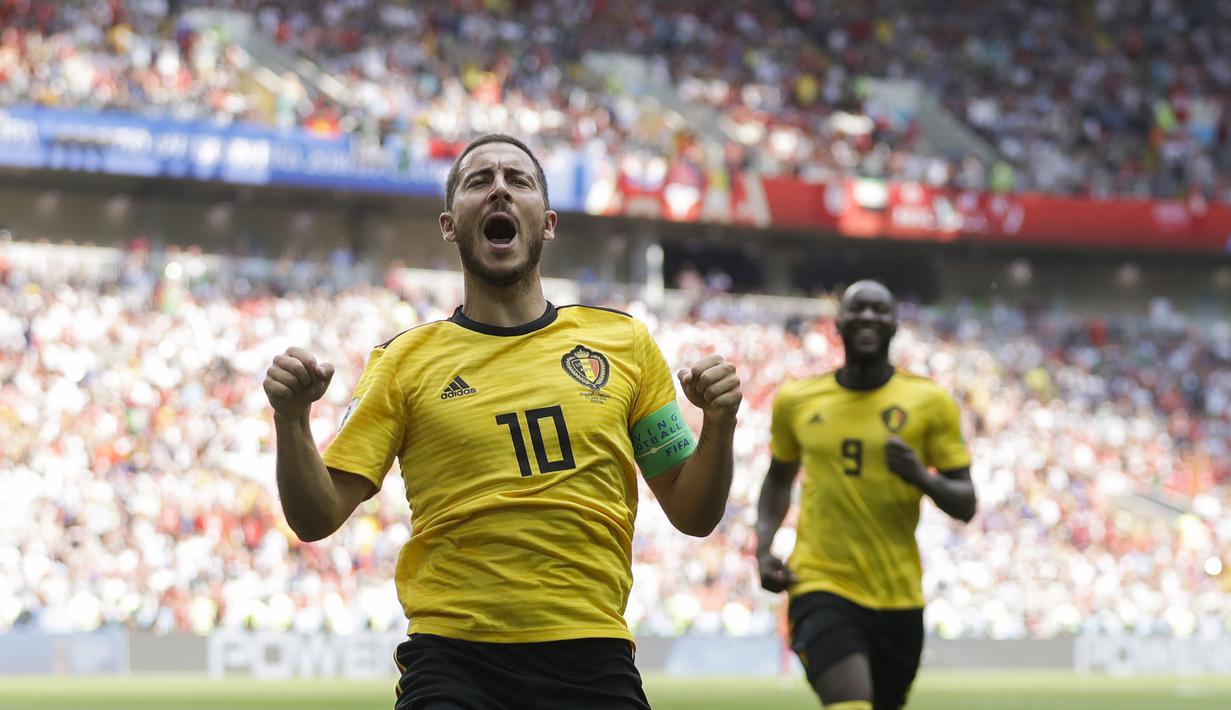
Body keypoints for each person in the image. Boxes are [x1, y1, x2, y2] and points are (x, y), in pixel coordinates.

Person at [262, 134, 742, 709]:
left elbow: (693, 513)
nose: (498, 190)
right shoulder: (402, 361)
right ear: (448, 225)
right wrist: (291, 420)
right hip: (453, 663)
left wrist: (719, 424)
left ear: (548, 223)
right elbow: (316, 518)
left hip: (592, 658)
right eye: (478, 181)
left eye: (518, 180)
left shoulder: (625, 343)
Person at [754, 280, 976, 710]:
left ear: (895, 325)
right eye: (857, 309)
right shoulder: (797, 399)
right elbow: (779, 477)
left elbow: (965, 503)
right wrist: (763, 547)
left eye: (879, 310)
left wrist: (921, 476)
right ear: (838, 323)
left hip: (898, 595)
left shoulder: (930, 401)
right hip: (821, 582)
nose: (868, 317)